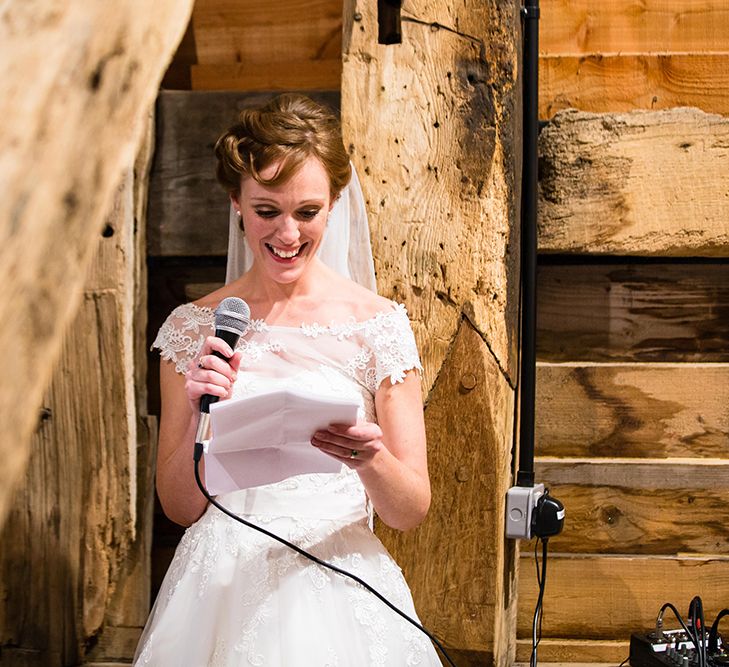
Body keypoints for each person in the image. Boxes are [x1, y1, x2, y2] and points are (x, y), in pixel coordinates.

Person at [134, 94, 443, 666]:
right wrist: (203, 411)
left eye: (306, 212)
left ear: (334, 207)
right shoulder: (192, 330)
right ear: (237, 204)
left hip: (340, 577)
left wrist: (368, 459)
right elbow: (179, 506)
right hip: (219, 585)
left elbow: (410, 510)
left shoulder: (379, 327)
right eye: (266, 210)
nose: (287, 233)